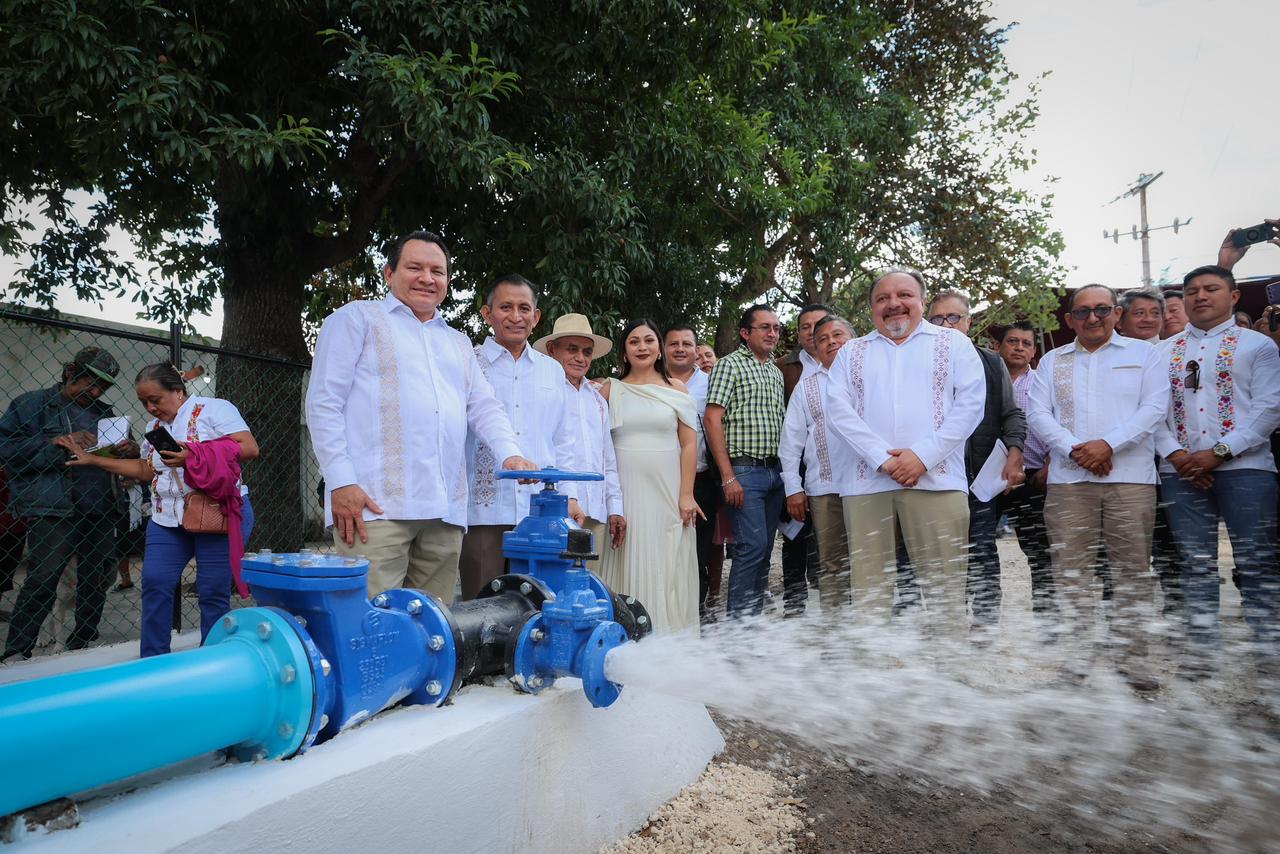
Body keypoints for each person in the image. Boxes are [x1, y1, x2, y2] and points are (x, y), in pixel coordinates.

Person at [307, 232, 535, 604]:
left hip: (444, 511)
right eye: (415, 267)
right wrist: (341, 482)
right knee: (370, 620)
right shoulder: (357, 320)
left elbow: (484, 407)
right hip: (374, 508)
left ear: (447, 280)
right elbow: (324, 403)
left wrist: (510, 453)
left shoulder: (457, 342)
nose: (427, 278)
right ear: (389, 273)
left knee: (431, 624)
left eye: (437, 271)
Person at [824, 270, 984, 640]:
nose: (894, 304)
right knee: (869, 592)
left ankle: (949, 666)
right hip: (867, 485)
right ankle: (871, 666)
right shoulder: (851, 352)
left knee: (945, 591)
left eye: (904, 295)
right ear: (871, 308)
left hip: (937, 481)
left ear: (922, 301)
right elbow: (838, 411)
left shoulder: (954, 344)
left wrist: (922, 457)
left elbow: (971, 405)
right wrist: (883, 459)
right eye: (882, 299)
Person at [60, 363, 258, 657]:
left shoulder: (214, 409)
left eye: (155, 400)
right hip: (166, 517)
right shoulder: (154, 428)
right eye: (144, 403)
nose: (150, 408)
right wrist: (95, 461)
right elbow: (145, 469)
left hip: (215, 513)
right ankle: (153, 660)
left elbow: (249, 448)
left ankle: (213, 660)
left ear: (177, 391)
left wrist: (193, 455)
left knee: (212, 591)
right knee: (155, 583)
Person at [1028, 284, 1169, 691]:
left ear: (1117, 314)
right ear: (1069, 319)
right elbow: (1037, 414)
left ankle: (1134, 660)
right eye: (1083, 311)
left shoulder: (1146, 355)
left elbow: (1154, 408)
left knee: (1133, 572)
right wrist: (1076, 450)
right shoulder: (1052, 361)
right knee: (1070, 572)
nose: (1093, 318)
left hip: (1130, 479)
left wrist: (1108, 445)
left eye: (1102, 309)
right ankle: (1076, 661)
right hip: (1069, 481)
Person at [1155, 265, 1280, 671]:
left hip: (1247, 469)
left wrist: (1221, 452)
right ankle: (1202, 650)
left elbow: (1269, 408)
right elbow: (1152, 413)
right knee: (1195, 563)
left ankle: (1269, 651)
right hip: (1180, 474)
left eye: (1211, 288)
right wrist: (1177, 456)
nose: (1201, 297)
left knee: (1257, 560)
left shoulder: (1257, 346)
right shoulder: (1164, 351)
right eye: (1192, 291)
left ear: (1234, 296)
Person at [0, 347, 135, 662]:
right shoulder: (32, 405)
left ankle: (82, 642)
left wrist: (129, 451)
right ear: (71, 372)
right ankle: (17, 651)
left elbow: (126, 458)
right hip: (54, 510)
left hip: (101, 508)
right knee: (43, 579)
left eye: (104, 386)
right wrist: (54, 443)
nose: (97, 391)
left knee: (96, 581)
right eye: (92, 382)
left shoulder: (106, 414)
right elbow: (6, 450)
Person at [461, 275, 576, 599]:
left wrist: (570, 497)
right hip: (483, 511)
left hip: (540, 510)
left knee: (540, 604)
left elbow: (563, 440)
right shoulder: (468, 362)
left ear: (536, 317)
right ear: (487, 314)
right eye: (505, 307)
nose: (515, 316)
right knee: (481, 607)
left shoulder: (552, 370)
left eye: (524, 308)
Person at [926, 291, 1027, 629]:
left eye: (954, 318)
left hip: (979, 476)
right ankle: (943, 622)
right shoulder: (918, 361)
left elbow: (1012, 414)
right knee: (934, 552)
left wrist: (1015, 453)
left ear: (968, 322)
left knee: (981, 549)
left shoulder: (991, 362)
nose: (946, 325)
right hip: (931, 476)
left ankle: (985, 623)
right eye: (938, 318)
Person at [597, 319, 702, 633]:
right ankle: (622, 633)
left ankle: (667, 634)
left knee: (667, 556)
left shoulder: (677, 389)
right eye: (633, 341)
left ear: (659, 349)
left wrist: (687, 494)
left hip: (668, 488)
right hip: (624, 489)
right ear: (624, 351)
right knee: (626, 553)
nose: (641, 347)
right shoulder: (609, 389)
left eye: (648, 340)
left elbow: (689, 444)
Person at [705, 304, 786, 619]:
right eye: (765, 327)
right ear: (744, 333)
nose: (772, 333)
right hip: (743, 471)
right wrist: (728, 477)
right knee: (751, 547)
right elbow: (712, 419)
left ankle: (753, 622)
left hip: (774, 473)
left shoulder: (775, 371)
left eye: (776, 328)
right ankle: (738, 628)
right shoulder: (729, 365)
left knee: (764, 550)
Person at [535, 313, 624, 572]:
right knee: (553, 581)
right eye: (572, 349)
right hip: (555, 509)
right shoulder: (542, 392)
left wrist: (615, 507)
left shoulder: (597, 399)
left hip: (595, 509)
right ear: (552, 350)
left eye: (586, 352)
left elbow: (607, 458)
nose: (580, 358)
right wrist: (568, 498)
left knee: (589, 582)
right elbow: (546, 451)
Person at [781, 315, 853, 611]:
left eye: (838, 335)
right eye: (822, 339)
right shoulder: (806, 387)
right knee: (831, 562)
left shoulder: (873, 376)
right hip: (824, 488)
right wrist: (793, 488)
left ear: (853, 339)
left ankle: (870, 625)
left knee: (869, 559)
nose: (830, 342)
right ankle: (834, 626)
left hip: (871, 485)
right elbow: (791, 441)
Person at [994, 322, 1055, 614]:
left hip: (1033, 477)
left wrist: (1050, 465)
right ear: (998, 347)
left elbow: (1060, 422)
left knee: (1039, 550)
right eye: (1012, 341)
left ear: (1033, 352)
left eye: (1026, 343)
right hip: (988, 478)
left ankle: (1047, 618)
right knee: (979, 546)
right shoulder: (985, 380)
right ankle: (985, 615)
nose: (1019, 348)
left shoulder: (1043, 383)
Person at [775, 304, 832, 616]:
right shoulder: (783, 368)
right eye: (805, 327)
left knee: (833, 539)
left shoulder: (852, 363)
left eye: (819, 324)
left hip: (839, 469)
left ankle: (833, 600)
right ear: (798, 334)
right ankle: (794, 603)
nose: (813, 331)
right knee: (794, 534)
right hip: (795, 466)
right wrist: (791, 484)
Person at [664, 323, 720, 619]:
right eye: (674, 344)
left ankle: (694, 612)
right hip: (661, 480)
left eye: (686, 344)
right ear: (664, 349)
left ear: (696, 350)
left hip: (701, 480)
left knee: (698, 550)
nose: (680, 349)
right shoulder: (653, 380)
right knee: (663, 547)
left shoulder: (711, 384)